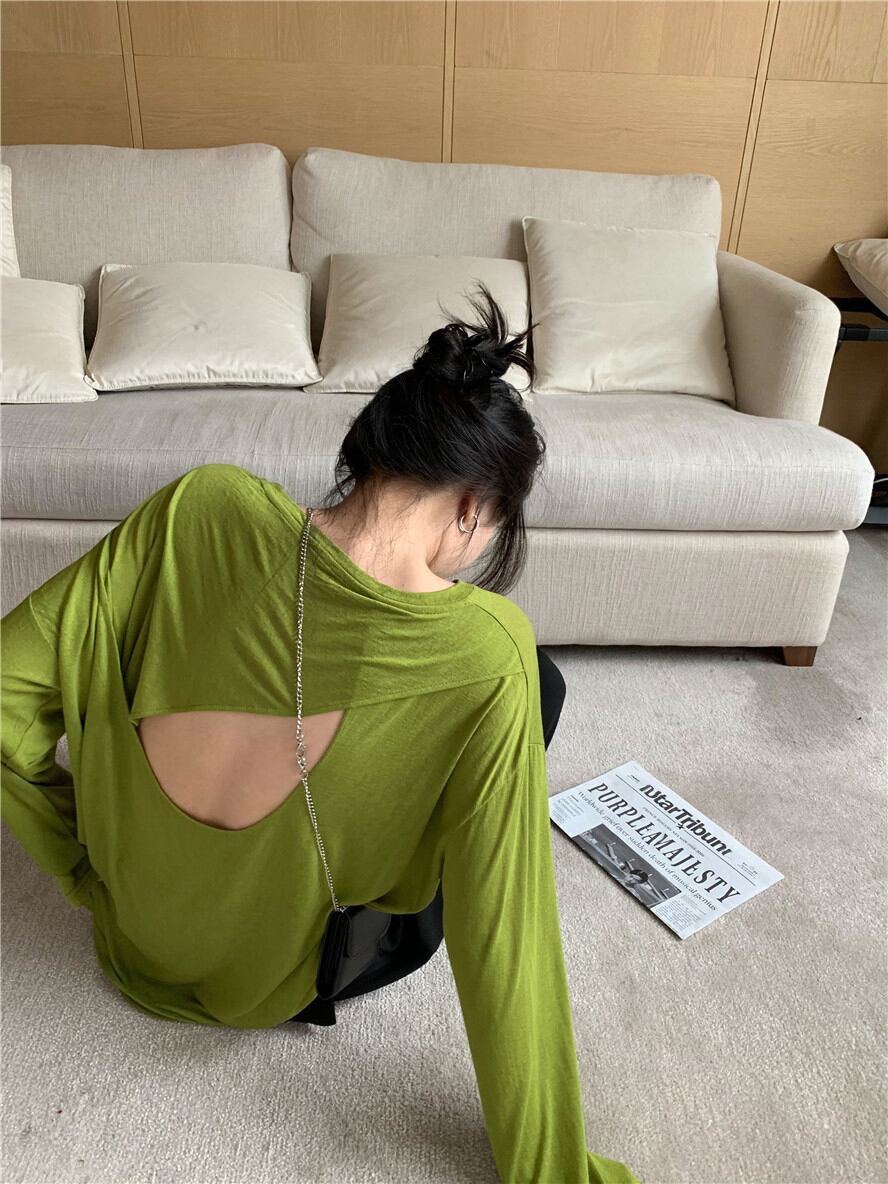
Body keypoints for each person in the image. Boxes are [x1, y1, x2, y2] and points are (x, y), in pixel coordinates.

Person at [0, 282, 643, 1184]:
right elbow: (505, 935)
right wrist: (551, 1170)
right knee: (538, 686)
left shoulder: (200, 506)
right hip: (268, 985)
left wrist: (84, 865)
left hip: (135, 942)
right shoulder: (488, 651)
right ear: (472, 507)